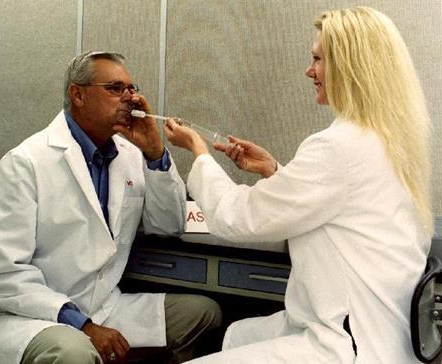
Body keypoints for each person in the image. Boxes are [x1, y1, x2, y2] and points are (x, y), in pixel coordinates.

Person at [164, 6, 433, 363]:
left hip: (348, 346)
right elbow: (342, 208)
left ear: (349, 66)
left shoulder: (337, 146)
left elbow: (237, 218)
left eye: (318, 59)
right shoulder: (391, 141)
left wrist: (198, 153)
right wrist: (277, 172)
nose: (310, 71)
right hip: (383, 334)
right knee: (237, 335)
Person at [0, 51, 221, 364]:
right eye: (115, 88)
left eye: (131, 88)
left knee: (203, 314)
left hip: (103, 305)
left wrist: (155, 154)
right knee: (73, 351)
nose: (131, 98)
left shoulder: (129, 154)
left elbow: (169, 224)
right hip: (27, 314)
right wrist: (81, 323)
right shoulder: (26, 163)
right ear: (78, 95)